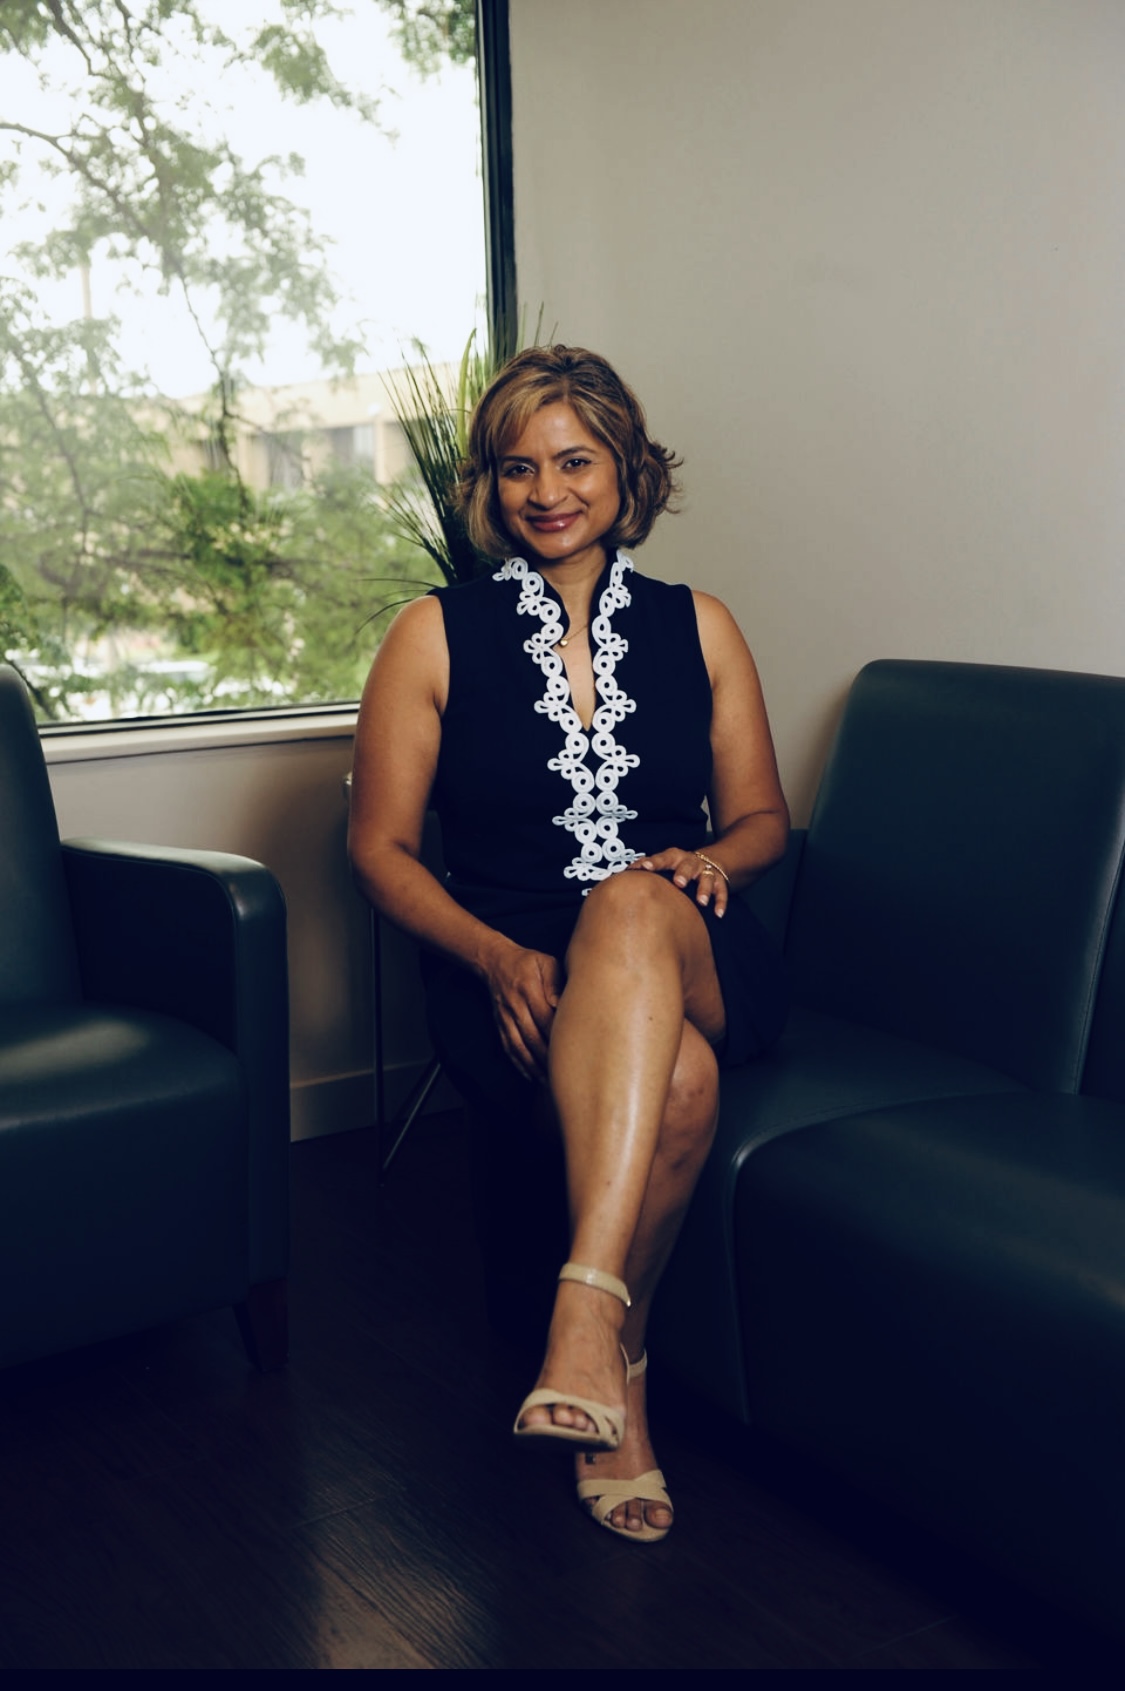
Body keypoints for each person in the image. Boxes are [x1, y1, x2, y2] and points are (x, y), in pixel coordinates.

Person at [348, 345, 789, 1544]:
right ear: (489, 488)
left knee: (633, 901)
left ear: (627, 470)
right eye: (517, 467)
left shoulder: (701, 625)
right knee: (681, 1083)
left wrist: (713, 861)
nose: (546, 490)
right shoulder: (431, 634)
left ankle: (580, 1311)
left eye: (576, 460)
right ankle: (620, 1375)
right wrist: (493, 957)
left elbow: (762, 819)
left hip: (687, 935)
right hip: (515, 961)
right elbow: (379, 848)